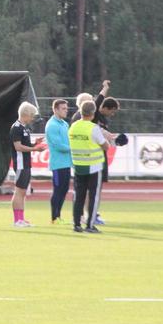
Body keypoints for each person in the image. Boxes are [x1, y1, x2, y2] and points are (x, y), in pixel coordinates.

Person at [69, 100, 106, 234]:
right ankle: (90, 225)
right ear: (93, 113)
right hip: (93, 165)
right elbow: (104, 145)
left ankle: (76, 224)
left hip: (78, 165)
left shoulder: (73, 127)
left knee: (79, 195)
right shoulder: (93, 128)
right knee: (93, 196)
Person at [91, 97, 126, 225]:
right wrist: (105, 88)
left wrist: (115, 141)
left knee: (98, 187)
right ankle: (91, 215)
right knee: (93, 188)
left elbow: (104, 137)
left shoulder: (104, 119)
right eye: (112, 111)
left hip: (101, 156)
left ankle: (93, 212)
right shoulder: (95, 116)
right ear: (105, 108)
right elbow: (98, 135)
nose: (112, 114)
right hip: (94, 157)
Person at [10, 102, 45, 227]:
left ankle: (21, 218)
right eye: (32, 115)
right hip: (20, 164)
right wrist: (35, 149)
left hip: (26, 163)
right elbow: (18, 147)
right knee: (19, 192)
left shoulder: (24, 128)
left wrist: (35, 143)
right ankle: (17, 220)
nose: (32, 118)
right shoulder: (16, 127)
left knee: (23, 192)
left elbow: (25, 145)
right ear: (26, 114)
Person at [45, 99, 72, 224]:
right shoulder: (52, 125)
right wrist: (73, 148)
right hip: (57, 164)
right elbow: (58, 145)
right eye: (63, 108)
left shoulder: (64, 124)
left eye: (66, 108)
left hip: (66, 163)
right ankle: (54, 218)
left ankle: (58, 216)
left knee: (64, 190)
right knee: (58, 190)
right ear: (55, 109)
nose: (66, 111)